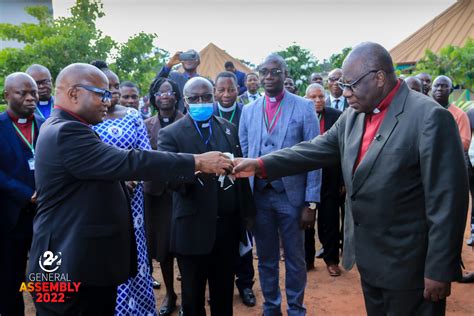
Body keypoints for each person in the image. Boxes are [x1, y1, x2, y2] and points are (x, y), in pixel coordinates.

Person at [234, 42, 468, 316]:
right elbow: (313, 149)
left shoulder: (429, 117)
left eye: (351, 85)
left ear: (379, 78)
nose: (344, 93)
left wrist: (439, 268)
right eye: (343, 85)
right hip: (369, 263)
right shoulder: (354, 115)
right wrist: (260, 164)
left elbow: (448, 201)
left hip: (411, 268)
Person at [27, 63, 234, 315]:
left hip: (80, 261)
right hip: (68, 263)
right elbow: (131, 160)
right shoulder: (67, 131)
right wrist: (197, 161)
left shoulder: (66, 126)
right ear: (73, 94)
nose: (108, 100)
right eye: (101, 94)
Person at [158, 77, 256, 315]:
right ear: (186, 101)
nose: (201, 102)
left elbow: (240, 175)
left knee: (223, 298)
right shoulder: (170, 134)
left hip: (227, 230)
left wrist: (247, 216)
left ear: (213, 98)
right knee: (192, 301)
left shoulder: (228, 128)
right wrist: (200, 167)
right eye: (195, 99)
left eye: (206, 97)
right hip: (192, 230)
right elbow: (168, 179)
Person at [239, 54, 321, 316]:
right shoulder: (249, 111)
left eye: (275, 72)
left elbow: (315, 157)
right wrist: (246, 200)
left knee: (296, 260)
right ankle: (271, 308)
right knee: (266, 258)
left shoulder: (304, 107)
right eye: (264, 72)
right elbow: (243, 151)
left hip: (292, 197)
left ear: (285, 75)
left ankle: (296, 309)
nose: (269, 77)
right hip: (260, 197)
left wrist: (311, 202)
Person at [90, 60, 158, 315]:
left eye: (117, 85)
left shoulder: (132, 116)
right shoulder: (86, 120)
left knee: (136, 252)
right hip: (103, 200)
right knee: (110, 253)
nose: (115, 91)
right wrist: (118, 178)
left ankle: (140, 309)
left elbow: (146, 153)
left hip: (134, 200)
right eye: (109, 86)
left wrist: (134, 178)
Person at [0, 73, 43, 316]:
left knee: (48, 274)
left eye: (34, 92)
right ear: (7, 95)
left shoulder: (46, 124)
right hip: (10, 217)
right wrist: (26, 193)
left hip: (45, 215)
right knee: (10, 279)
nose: (30, 98)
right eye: (22, 93)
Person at [212, 71, 256, 307]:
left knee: (244, 236)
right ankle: (220, 284)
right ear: (214, 91)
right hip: (217, 187)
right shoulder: (208, 115)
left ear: (238, 90)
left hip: (242, 183)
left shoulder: (246, 113)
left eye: (231, 89)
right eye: (221, 90)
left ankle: (246, 284)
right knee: (221, 239)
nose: (226, 94)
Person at [143, 77, 184, 315]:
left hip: (182, 193)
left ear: (177, 96)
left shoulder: (186, 122)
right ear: (154, 98)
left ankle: (189, 294)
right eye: (160, 92)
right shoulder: (145, 124)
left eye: (169, 92)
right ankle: (170, 293)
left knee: (184, 246)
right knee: (163, 249)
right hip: (156, 196)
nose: (165, 95)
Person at [304, 83, 343, 276]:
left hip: (330, 177)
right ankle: (307, 259)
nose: (318, 100)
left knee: (330, 219)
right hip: (306, 177)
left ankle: (331, 260)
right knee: (305, 220)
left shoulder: (336, 116)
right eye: (313, 97)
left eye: (321, 97)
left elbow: (344, 149)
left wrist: (343, 180)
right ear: (306, 98)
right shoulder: (300, 115)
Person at [432, 75, 471, 151]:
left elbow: (465, 144)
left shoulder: (460, 115)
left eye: (444, 86)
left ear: (451, 90)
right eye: (436, 86)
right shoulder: (425, 110)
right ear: (431, 88)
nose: (440, 89)